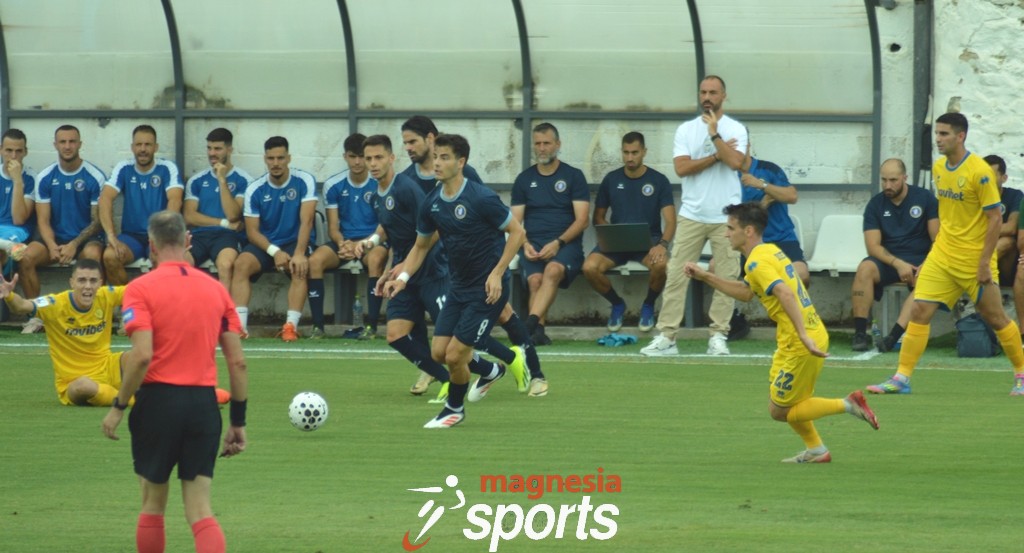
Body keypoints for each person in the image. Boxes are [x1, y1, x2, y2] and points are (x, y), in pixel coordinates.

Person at [685, 202, 879, 463]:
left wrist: (803, 335)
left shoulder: (757, 263)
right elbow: (746, 292)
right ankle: (817, 450)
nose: (726, 234)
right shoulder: (770, 251)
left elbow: (785, 293)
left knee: (779, 411)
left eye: (731, 228)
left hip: (800, 340)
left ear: (748, 231)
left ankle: (848, 404)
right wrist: (705, 277)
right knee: (787, 402)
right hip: (796, 337)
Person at [101, 211, 247, 553]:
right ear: (188, 241)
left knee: (153, 505)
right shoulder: (216, 290)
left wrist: (119, 406)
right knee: (200, 510)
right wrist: (238, 422)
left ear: (150, 245)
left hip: (157, 404)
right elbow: (238, 362)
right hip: (202, 406)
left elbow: (141, 356)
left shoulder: (140, 289)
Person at [353, 135, 525, 402]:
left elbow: (515, 232)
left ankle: (471, 389)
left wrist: (497, 272)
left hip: (445, 276)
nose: (437, 163)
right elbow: (411, 238)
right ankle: (478, 372)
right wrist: (399, 272)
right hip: (426, 277)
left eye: (444, 157)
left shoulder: (425, 191)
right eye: (435, 157)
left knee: (457, 346)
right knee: (419, 343)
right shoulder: (404, 199)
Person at [867, 113, 1024, 396]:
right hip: (942, 256)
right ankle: (902, 378)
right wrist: (936, 250)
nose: (938, 139)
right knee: (919, 310)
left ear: (960, 136)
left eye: (944, 134)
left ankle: (1021, 374)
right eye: (936, 134)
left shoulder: (980, 173)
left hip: (973, 260)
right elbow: (949, 215)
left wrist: (984, 262)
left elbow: (994, 220)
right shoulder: (939, 168)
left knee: (996, 317)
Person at [640, 75, 747, 357]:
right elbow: (682, 168)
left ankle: (718, 336)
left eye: (713, 92)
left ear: (724, 96)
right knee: (676, 274)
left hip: (727, 217)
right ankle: (667, 337)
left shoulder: (736, 128)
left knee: (726, 276)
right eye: (703, 92)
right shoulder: (685, 129)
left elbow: (736, 162)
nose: (707, 97)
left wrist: (714, 135)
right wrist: (716, 155)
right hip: (692, 214)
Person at [17, 125, 106, 336]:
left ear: (80, 144)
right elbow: (43, 220)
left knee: (93, 256)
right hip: (54, 239)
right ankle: (35, 316)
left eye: (72, 141)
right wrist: (51, 245)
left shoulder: (95, 176)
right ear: (55, 145)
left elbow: (97, 222)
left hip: (85, 240)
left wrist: (74, 245)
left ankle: (91, 316)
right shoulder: (45, 176)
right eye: (63, 142)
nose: (67, 146)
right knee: (26, 257)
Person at [582, 131, 674, 332]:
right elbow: (598, 217)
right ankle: (617, 304)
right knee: (589, 268)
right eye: (626, 152)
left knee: (661, 265)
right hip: (616, 244)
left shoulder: (659, 180)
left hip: (649, 243)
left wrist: (662, 245)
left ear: (644, 152)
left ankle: (648, 305)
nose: (630, 157)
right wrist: (611, 234)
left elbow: (670, 221)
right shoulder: (611, 179)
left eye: (634, 152)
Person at [2, 259, 126, 405]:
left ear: (100, 283)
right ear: (72, 282)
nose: (87, 286)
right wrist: (9, 296)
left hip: (108, 368)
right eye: (81, 280)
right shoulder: (55, 304)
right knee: (83, 387)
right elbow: (22, 306)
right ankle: (131, 400)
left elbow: (140, 290)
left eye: (93, 281)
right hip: (73, 381)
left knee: (141, 357)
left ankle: (116, 393)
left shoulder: (106, 295)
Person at [230, 136, 317, 341]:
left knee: (299, 267)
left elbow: (307, 221)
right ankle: (240, 328)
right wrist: (274, 252)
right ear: (265, 159)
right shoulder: (255, 188)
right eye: (271, 158)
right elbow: (252, 232)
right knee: (241, 265)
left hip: (294, 241)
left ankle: (290, 327)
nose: (276, 163)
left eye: (280, 158)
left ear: (289, 158)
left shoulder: (304, 180)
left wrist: (299, 253)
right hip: (266, 244)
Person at [511, 122, 590, 346]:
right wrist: (524, 244)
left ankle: (529, 325)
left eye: (546, 143)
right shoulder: (524, 179)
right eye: (537, 144)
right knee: (535, 280)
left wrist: (558, 243)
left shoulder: (573, 176)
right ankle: (539, 333)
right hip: (533, 243)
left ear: (558, 144)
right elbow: (515, 222)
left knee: (553, 270)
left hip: (566, 244)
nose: (542, 148)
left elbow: (583, 220)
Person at [850, 158, 938, 352]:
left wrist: (927, 263)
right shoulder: (875, 205)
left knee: (926, 279)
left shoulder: (925, 198)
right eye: (884, 180)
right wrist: (898, 264)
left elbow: (937, 240)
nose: (887, 185)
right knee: (865, 268)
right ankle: (860, 333)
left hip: (921, 261)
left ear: (905, 178)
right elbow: (872, 247)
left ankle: (893, 337)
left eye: (893, 180)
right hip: (889, 261)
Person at [306, 132, 388, 339]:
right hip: (344, 243)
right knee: (315, 261)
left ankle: (371, 327)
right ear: (345, 157)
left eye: (362, 156)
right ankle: (318, 328)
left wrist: (362, 244)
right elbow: (333, 227)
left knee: (377, 259)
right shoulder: (334, 185)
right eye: (353, 156)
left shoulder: (379, 183)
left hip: (372, 242)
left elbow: (384, 225)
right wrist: (343, 244)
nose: (358, 162)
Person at [99, 125, 183, 285]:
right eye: (139, 144)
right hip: (131, 236)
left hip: (158, 234)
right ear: (132, 147)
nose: (143, 149)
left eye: (148, 144)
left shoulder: (167, 168)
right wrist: (111, 236)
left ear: (155, 147)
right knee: (109, 257)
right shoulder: (124, 168)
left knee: (163, 262)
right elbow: (105, 198)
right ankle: (128, 299)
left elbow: (175, 200)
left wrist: (161, 235)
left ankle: (157, 301)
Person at [183, 128, 252, 289]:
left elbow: (233, 215)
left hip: (228, 237)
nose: (212, 153)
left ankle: (222, 306)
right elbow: (189, 216)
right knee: (181, 265)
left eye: (217, 149)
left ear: (229, 149)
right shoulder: (197, 180)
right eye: (209, 148)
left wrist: (222, 179)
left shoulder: (244, 180)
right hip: (199, 235)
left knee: (226, 265)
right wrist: (224, 223)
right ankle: (188, 305)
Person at [400, 115, 484, 195]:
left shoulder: (462, 171)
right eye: (405, 143)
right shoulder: (405, 180)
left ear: (430, 138)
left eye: (412, 142)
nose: (407, 148)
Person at [984, 154, 1021, 289]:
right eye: (983, 176)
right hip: (977, 245)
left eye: (991, 176)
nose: (986, 180)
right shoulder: (973, 196)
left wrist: (979, 231)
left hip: (1003, 259)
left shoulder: (1014, 195)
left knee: (1007, 242)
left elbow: (1011, 228)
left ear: (1004, 178)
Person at [0, 129, 35, 272]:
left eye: (18, 151)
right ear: (1, 150)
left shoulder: (31, 178)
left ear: (25, 152)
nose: (13, 156)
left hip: (16, 230)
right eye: (9, 150)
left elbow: (19, 219)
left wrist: (17, 181)